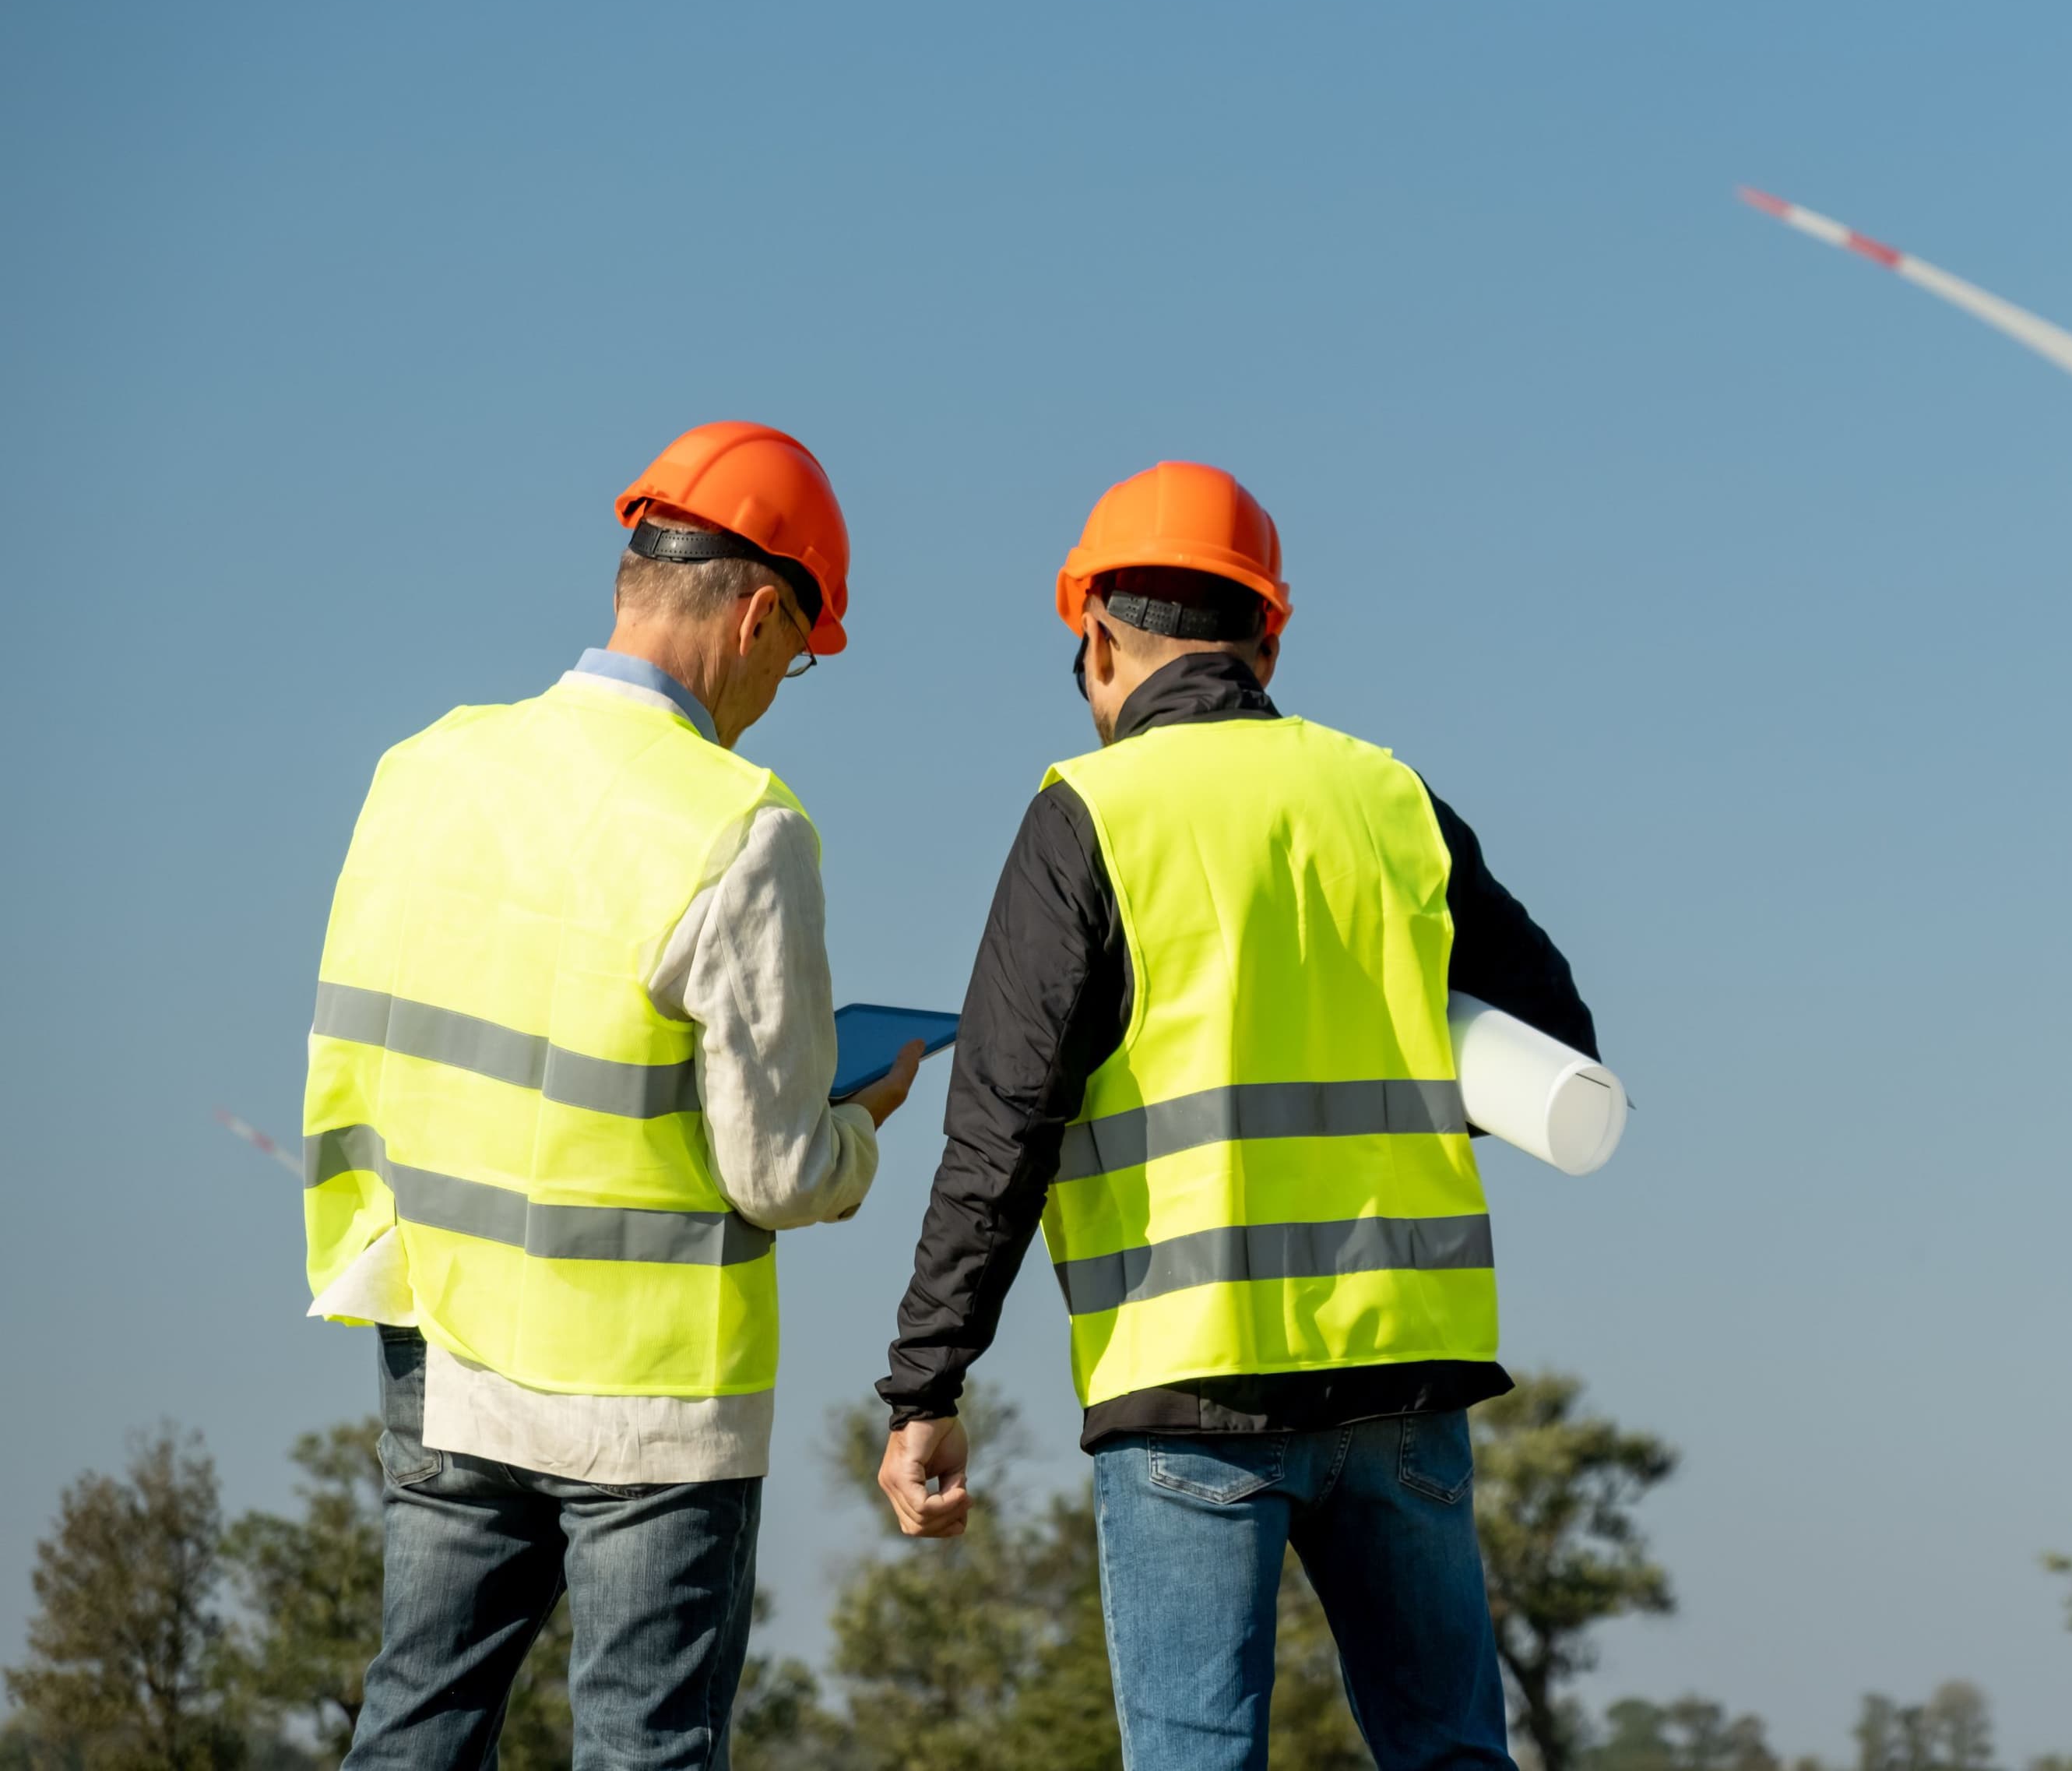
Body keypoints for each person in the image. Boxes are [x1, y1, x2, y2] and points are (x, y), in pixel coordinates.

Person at [876, 460, 1600, 1771]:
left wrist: (926, 1380)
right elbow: (1557, 1046)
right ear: (1268, 635)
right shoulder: (1388, 799)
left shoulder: (1090, 814)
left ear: (1093, 635)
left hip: (1188, 1385)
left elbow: (1002, 1127)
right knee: (1452, 1755)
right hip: (1404, 1373)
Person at [301, 422, 927, 1769]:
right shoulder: (743, 826)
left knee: (413, 1727)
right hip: (652, 1399)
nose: (776, 691)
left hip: (442, 1339)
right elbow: (774, 1171)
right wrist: (860, 1127)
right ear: (763, 613)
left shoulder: (423, 771)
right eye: (796, 661)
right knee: (643, 1750)